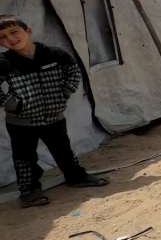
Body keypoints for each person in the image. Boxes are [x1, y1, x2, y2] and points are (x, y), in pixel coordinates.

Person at [0, 15, 108, 208]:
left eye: (14, 32)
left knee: (63, 150)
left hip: (54, 116)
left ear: (28, 30)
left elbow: (73, 71)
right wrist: (12, 104)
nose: (10, 39)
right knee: (25, 158)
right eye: (3, 37)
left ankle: (76, 177)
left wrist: (64, 92)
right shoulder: (4, 62)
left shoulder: (53, 54)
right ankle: (29, 192)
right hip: (21, 122)